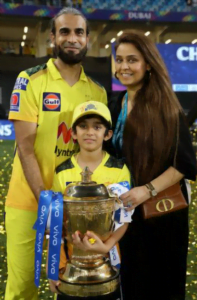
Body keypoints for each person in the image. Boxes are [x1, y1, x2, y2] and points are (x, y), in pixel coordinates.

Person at [5, 8, 107, 300]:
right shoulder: (31, 80)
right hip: (28, 203)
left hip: (77, 209)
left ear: (87, 39)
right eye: (64, 32)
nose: (72, 38)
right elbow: (25, 147)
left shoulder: (97, 92)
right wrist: (48, 205)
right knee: (23, 287)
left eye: (79, 32)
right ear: (52, 37)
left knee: (75, 288)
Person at [108, 31, 196, 300]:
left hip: (161, 217)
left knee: (160, 287)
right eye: (119, 59)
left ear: (148, 63)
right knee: (130, 286)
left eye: (132, 60)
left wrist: (145, 191)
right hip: (123, 216)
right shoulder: (113, 106)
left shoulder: (166, 106)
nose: (124, 67)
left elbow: (184, 164)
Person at [48, 101, 131, 300]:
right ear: (73, 133)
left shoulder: (119, 169)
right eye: (83, 126)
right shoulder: (62, 171)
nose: (90, 132)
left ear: (107, 134)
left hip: (107, 260)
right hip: (71, 264)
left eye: (97, 126)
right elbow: (55, 225)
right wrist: (55, 268)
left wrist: (107, 245)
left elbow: (124, 217)